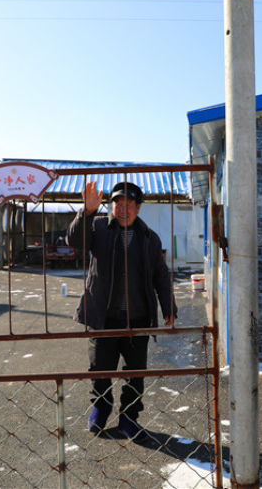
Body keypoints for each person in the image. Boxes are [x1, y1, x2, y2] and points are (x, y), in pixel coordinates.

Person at [67, 180, 177, 443]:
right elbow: (75, 240)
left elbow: (161, 276)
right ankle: (101, 407)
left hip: (137, 319)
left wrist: (168, 307)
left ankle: (129, 417)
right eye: (118, 204)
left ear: (138, 208)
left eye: (129, 204)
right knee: (100, 368)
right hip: (103, 317)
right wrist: (87, 211)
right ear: (112, 207)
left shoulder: (149, 238)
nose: (123, 209)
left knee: (135, 373)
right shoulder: (98, 228)